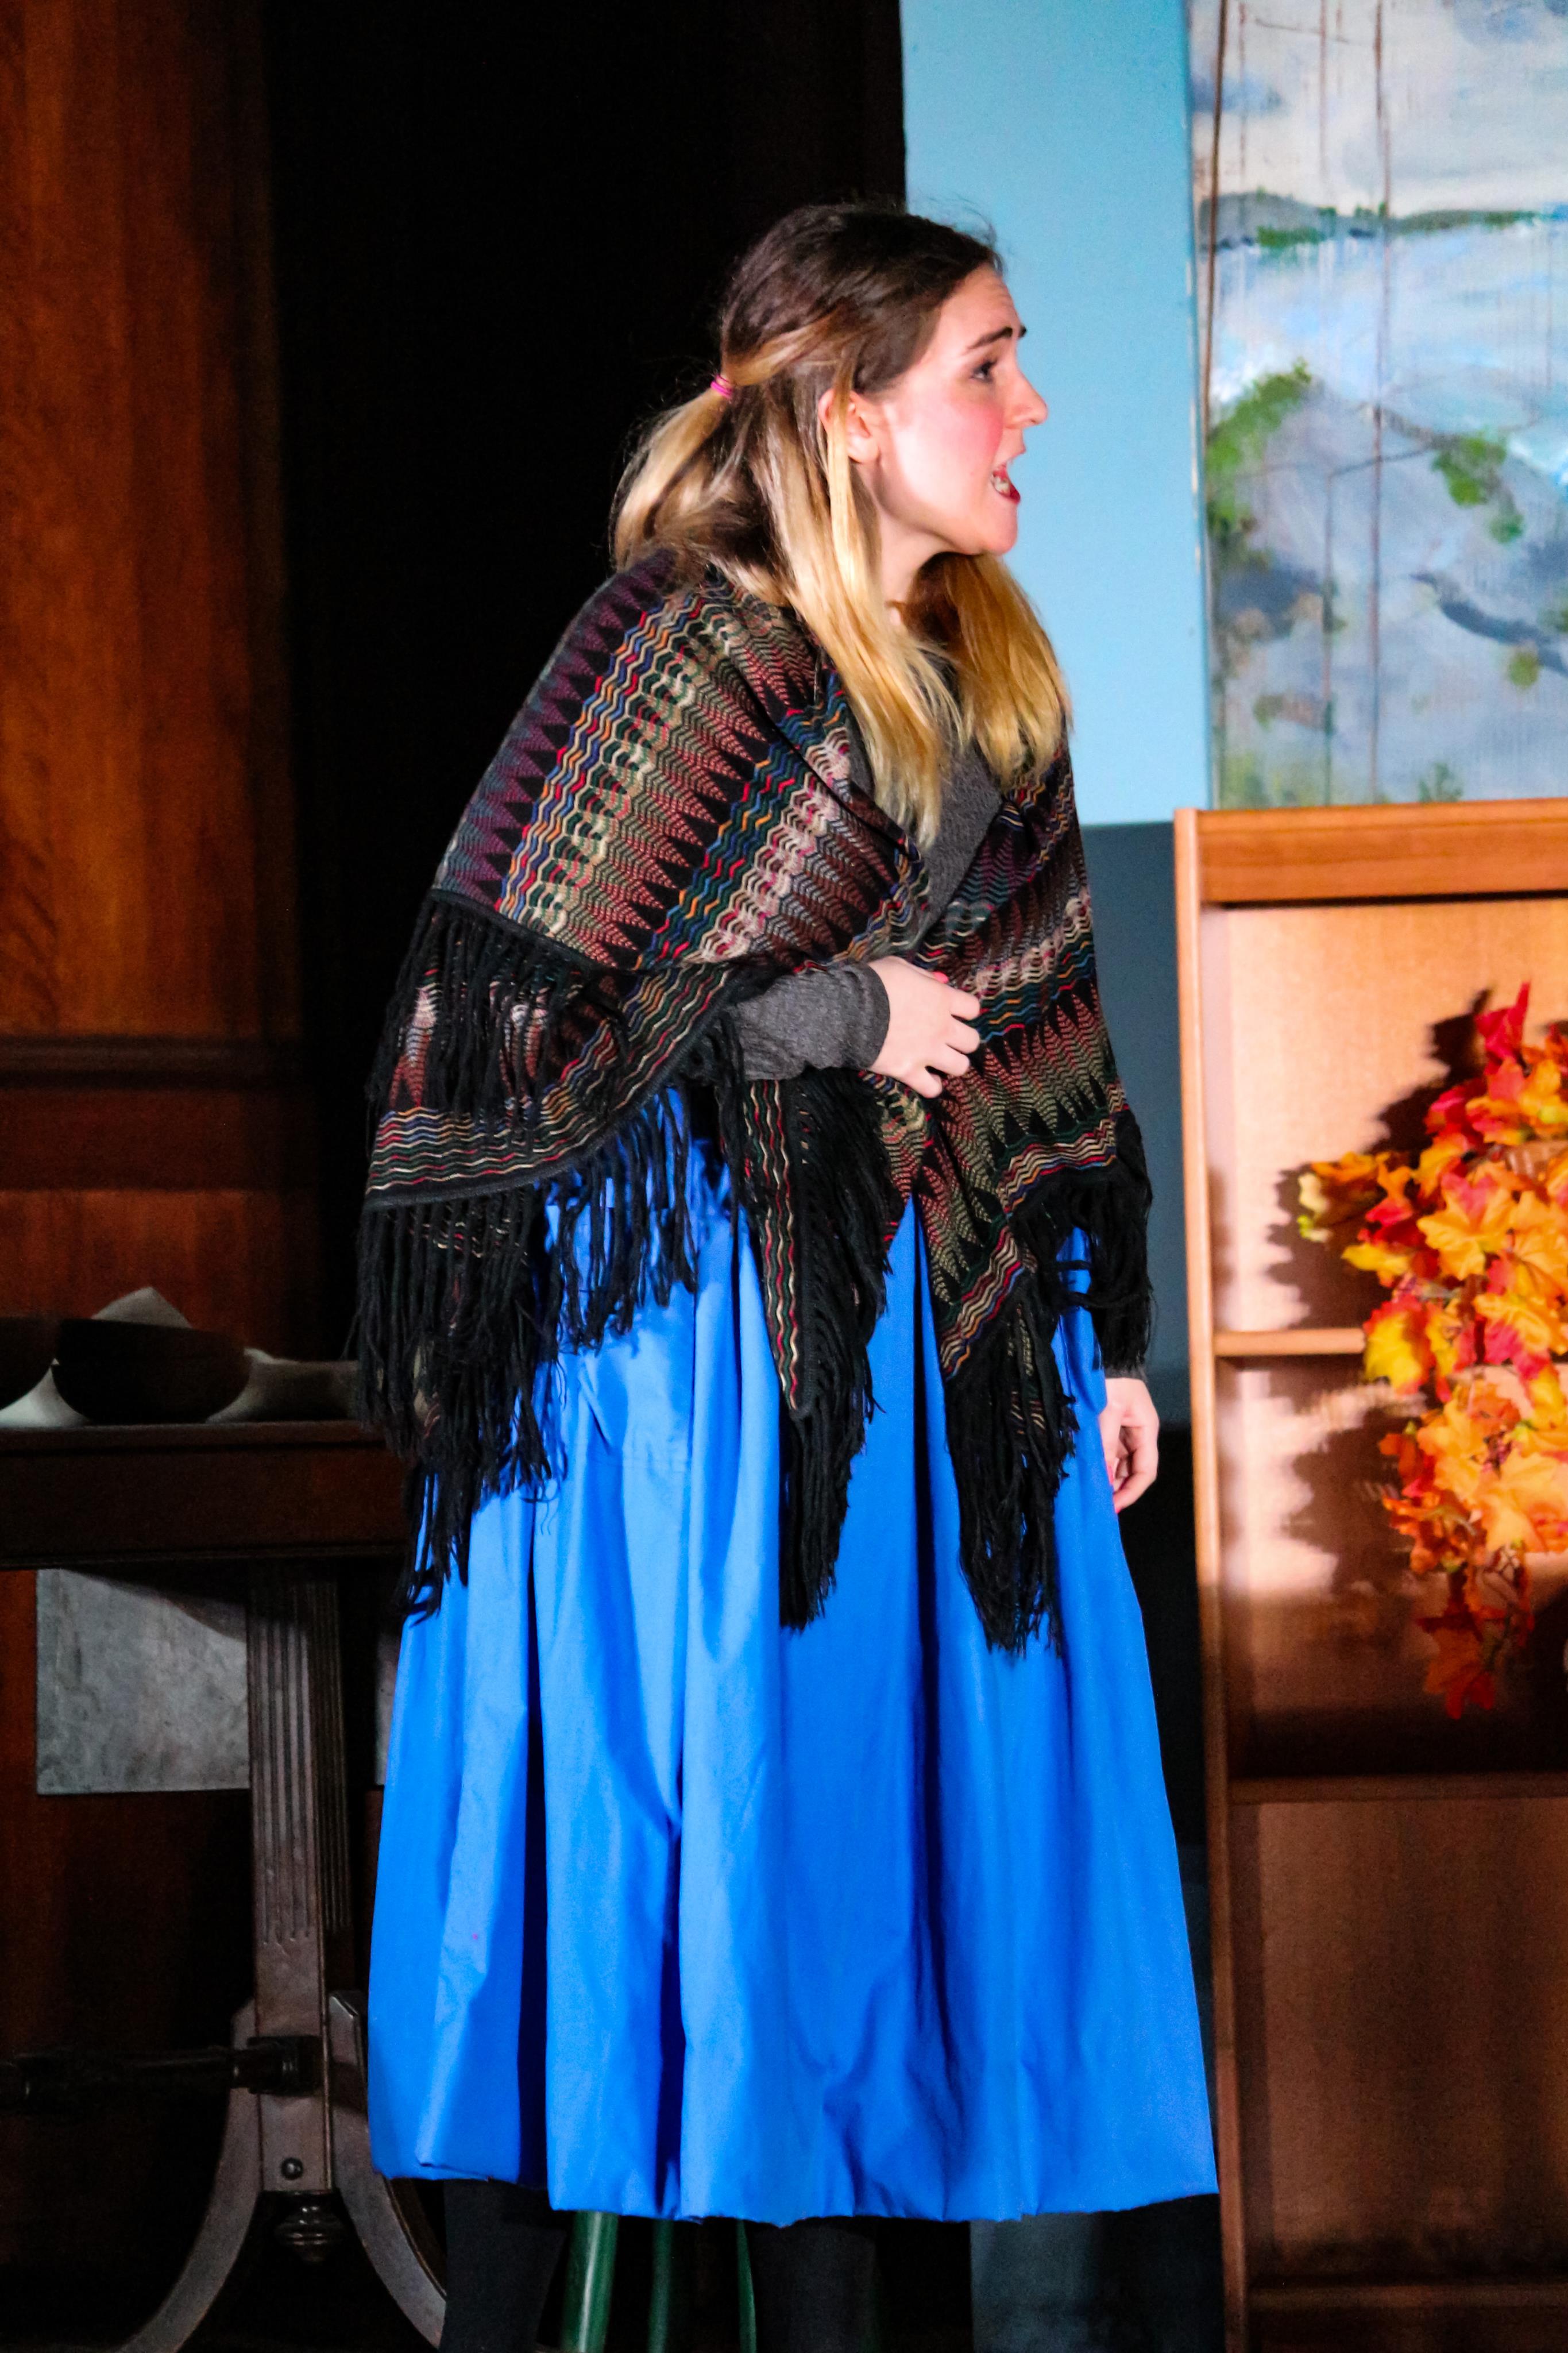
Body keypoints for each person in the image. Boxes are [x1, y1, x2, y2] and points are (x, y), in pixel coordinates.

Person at [360, 201, 1214, 2353]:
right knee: (709, 1841)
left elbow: (1040, 1036)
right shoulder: (679, 648)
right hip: (682, 1367)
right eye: (986, 367)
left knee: (858, 1888)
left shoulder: (989, 672)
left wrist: (1091, 1336)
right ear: (847, 411)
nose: (1031, 407)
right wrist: (832, 1014)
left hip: (917, 1349)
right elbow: (508, 1016)